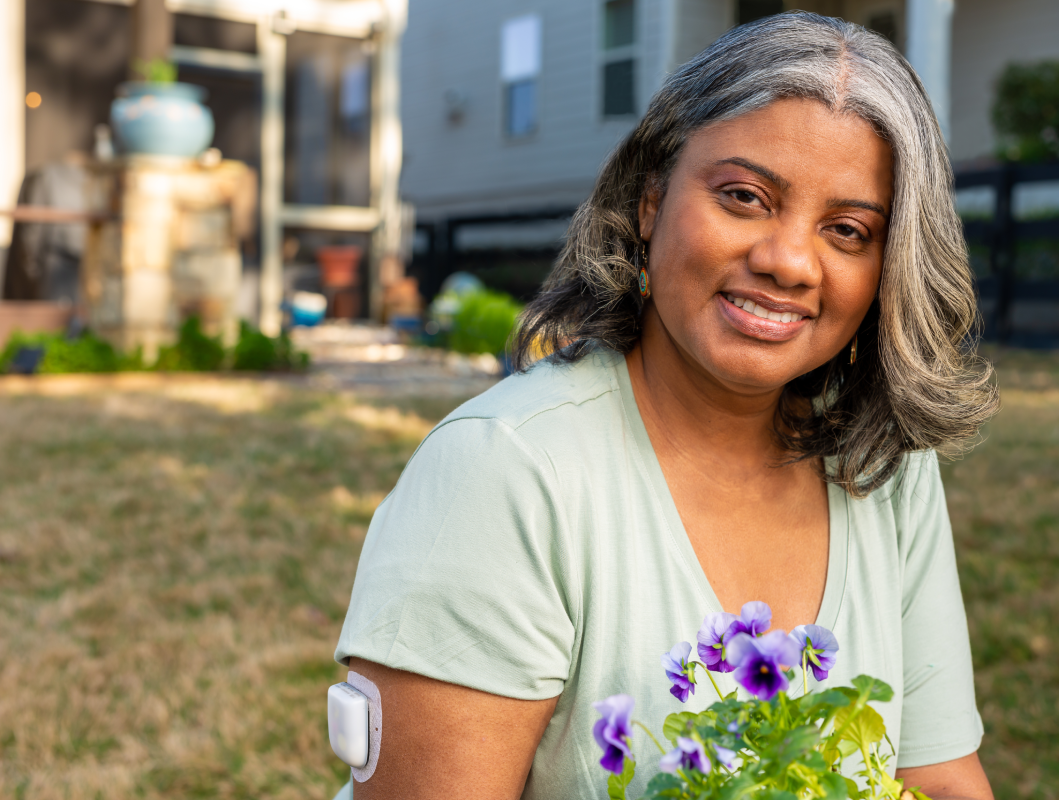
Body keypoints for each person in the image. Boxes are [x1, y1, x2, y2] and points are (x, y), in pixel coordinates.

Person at [332, 11, 998, 800]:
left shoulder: (883, 467)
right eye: (745, 197)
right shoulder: (503, 471)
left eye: (848, 229)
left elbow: (942, 778)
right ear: (651, 203)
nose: (787, 261)